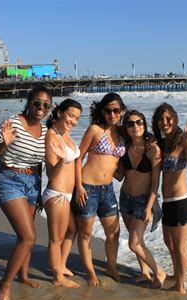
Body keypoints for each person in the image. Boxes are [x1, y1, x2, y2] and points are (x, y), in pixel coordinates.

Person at [0, 85, 53, 300]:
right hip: (9, 180)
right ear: (28, 101)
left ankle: (23, 275)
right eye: (37, 103)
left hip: (32, 182)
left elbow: (39, 164)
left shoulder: (44, 131)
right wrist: (4, 143)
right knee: (29, 236)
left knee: (26, 234)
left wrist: (40, 190)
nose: (41, 108)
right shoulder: (12, 123)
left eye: (46, 105)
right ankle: (5, 283)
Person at [72, 92, 127, 286]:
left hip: (108, 190)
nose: (112, 114)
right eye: (108, 110)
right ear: (102, 112)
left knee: (114, 233)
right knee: (85, 234)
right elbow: (79, 158)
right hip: (87, 188)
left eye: (116, 110)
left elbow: (119, 167)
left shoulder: (123, 134)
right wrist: (78, 186)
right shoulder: (95, 130)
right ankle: (90, 272)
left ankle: (111, 267)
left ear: (122, 111)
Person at [151, 103, 187, 294]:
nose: (165, 123)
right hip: (167, 203)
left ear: (175, 119)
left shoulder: (182, 140)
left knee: (180, 247)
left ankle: (180, 285)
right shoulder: (163, 142)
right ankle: (176, 273)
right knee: (168, 242)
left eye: (168, 118)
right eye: (161, 119)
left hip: (181, 201)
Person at [114, 110, 166, 288]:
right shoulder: (124, 147)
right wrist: (102, 161)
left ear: (144, 125)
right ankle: (144, 273)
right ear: (126, 128)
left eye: (139, 122)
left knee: (134, 243)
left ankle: (159, 272)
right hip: (125, 199)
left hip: (143, 201)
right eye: (130, 123)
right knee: (137, 240)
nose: (135, 126)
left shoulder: (153, 149)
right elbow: (120, 176)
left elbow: (155, 183)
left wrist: (149, 206)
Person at [43, 98, 82, 288]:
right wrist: (61, 160)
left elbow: (75, 162)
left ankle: (61, 265)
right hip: (57, 194)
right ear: (59, 113)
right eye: (71, 115)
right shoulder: (52, 135)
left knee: (72, 230)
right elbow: (51, 173)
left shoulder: (66, 134)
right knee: (56, 238)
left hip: (68, 195)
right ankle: (57, 277)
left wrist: (79, 187)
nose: (73, 121)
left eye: (77, 118)